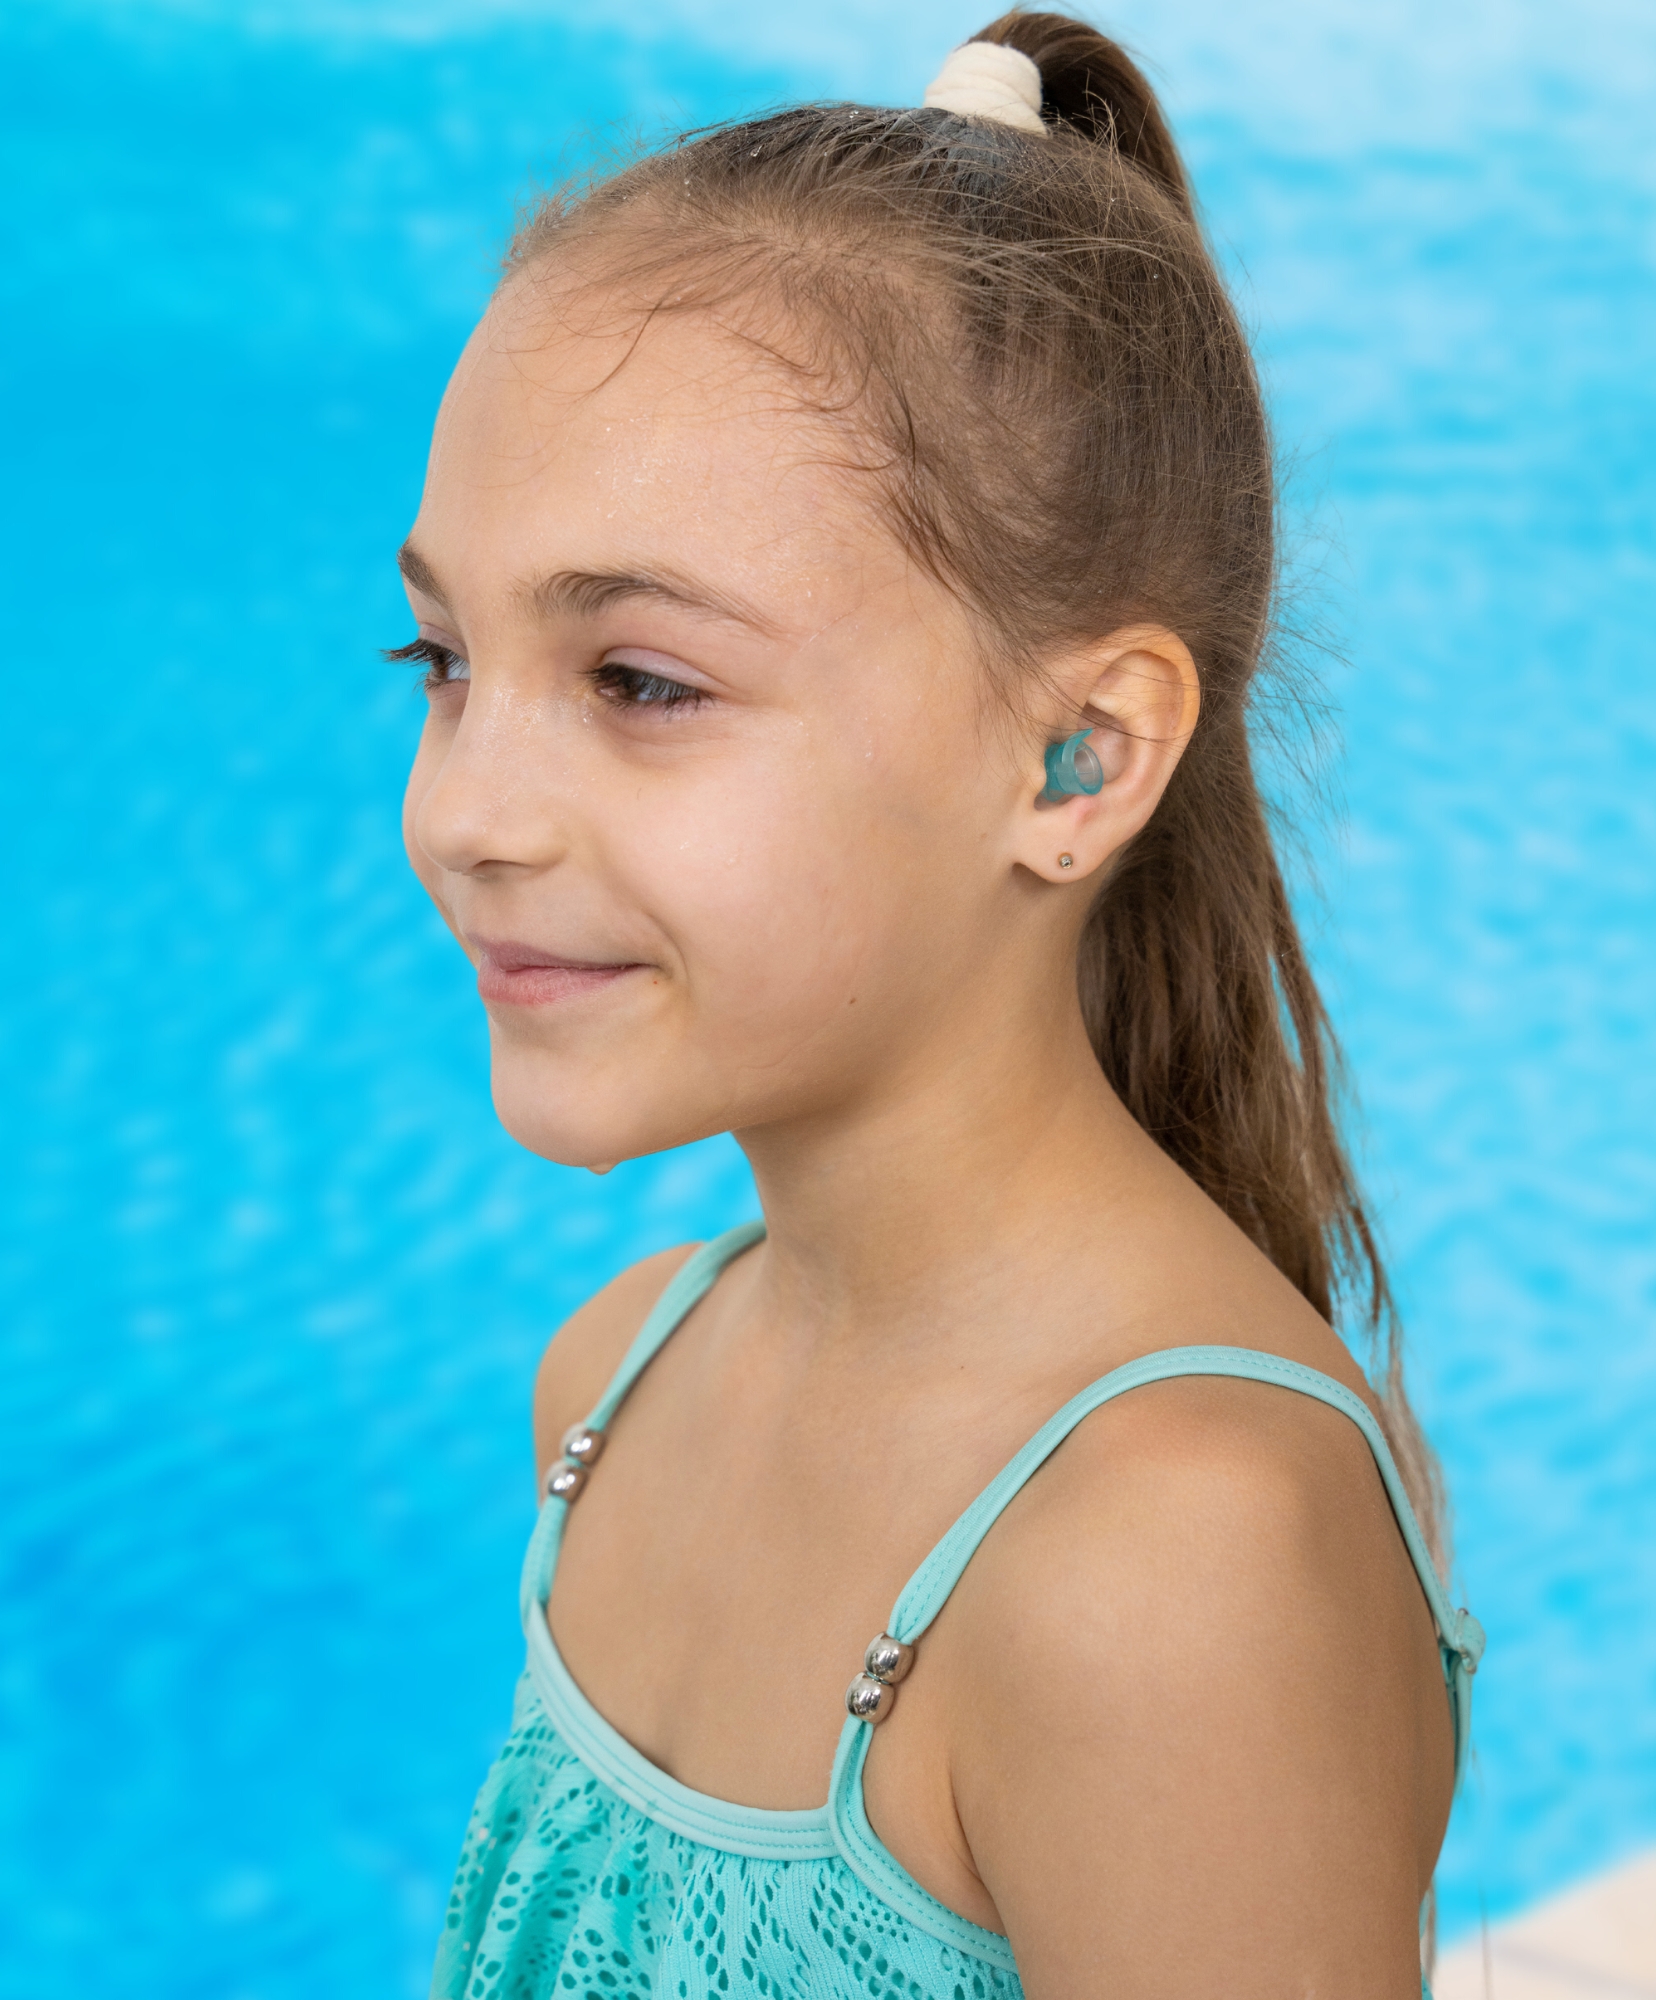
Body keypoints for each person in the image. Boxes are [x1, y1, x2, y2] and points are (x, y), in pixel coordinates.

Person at [397, 12, 1483, 1996]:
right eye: (442, 656)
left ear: (1075, 758)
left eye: (641, 681)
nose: (463, 810)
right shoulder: (615, 1385)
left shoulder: (1171, 1565)